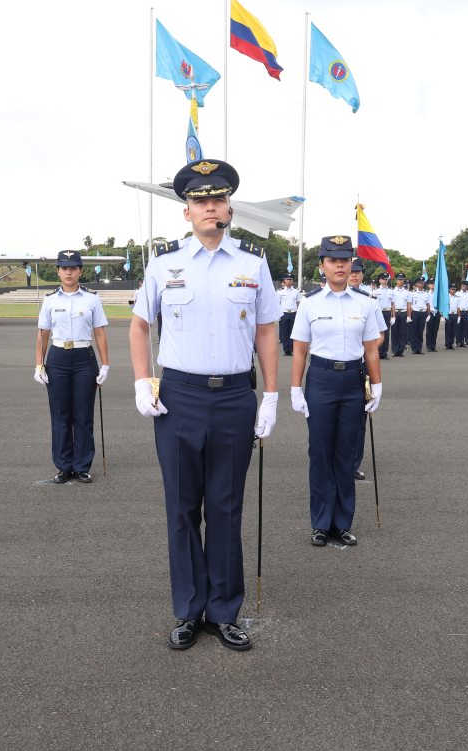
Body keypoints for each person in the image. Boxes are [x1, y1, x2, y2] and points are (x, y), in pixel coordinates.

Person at [128, 158, 280, 652]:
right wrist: (141, 381)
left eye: (218, 199)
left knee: (226, 508)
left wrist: (271, 395)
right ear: (187, 212)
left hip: (234, 397)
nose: (210, 207)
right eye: (200, 201)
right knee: (181, 508)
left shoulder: (252, 263)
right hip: (179, 399)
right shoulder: (163, 263)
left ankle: (224, 611)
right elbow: (140, 325)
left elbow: (266, 331)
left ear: (230, 208)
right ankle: (189, 609)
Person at [289, 235, 383, 548]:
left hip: (353, 381)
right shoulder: (309, 303)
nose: (339, 266)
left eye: (344, 260)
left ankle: (342, 523)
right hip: (321, 380)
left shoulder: (365, 303)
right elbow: (299, 350)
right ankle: (320, 523)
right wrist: (295, 388)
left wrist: (377, 385)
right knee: (319, 452)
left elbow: (371, 349)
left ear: (351, 264)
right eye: (332, 260)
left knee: (345, 454)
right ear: (322, 266)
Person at [34, 250, 109, 483]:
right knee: (60, 414)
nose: (69, 272)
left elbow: (99, 332)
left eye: (73, 268)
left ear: (80, 271)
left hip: (84, 357)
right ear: (58, 271)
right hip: (57, 357)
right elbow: (43, 335)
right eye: (64, 268)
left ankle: (82, 465)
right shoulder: (50, 300)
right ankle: (64, 465)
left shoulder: (92, 298)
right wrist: (39, 364)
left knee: (83, 414)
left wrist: (105, 364)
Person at [347, 257, 386, 482]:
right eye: (351, 270)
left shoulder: (370, 301)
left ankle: (353, 463)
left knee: (359, 416)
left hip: (361, 364)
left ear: (362, 275)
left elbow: (380, 336)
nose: (353, 275)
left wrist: (363, 350)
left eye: (357, 271)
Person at [276, 274, 300, 355]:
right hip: (284, 313)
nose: (289, 281)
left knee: (292, 332)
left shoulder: (296, 291)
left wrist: (299, 314)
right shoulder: (280, 291)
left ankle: (291, 349)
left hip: (293, 312)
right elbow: (278, 303)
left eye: (290, 279)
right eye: (287, 279)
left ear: (292, 280)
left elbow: (298, 303)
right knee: (284, 332)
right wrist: (278, 314)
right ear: (285, 280)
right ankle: (286, 349)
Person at [373, 275, 393, 359]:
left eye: (386, 279)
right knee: (378, 332)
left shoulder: (391, 291)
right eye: (383, 279)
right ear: (380, 281)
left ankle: (384, 352)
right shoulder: (376, 291)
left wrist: (393, 316)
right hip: (379, 312)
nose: (385, 280)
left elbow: (393, 304)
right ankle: (378, 352)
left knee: (386, 332)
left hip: (387, 311)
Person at [390, 275, 409, 356]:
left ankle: (400, 350)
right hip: (395, 312)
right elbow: (391, 304)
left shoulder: (407, 292)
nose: (401, 281)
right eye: (399, 280)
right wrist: (392, 315)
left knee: (403, 332)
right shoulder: (392, 291)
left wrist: (409, 315)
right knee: (394, 333)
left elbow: (408, 304)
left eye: (402, 280)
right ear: (396, 281)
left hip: (404, 312)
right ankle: (395, 350)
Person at [408, 277, 428, 354]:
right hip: (415, 312)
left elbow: (428, 304)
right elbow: (409, 304)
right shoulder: (412, 293)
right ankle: (413, 348)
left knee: (420, 331)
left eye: (422, 283)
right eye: (420, 283)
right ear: (417, 284)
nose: (421, 284)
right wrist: (409, 315)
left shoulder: (426, 293)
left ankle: (419, 348)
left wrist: (428, 314)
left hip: (423, 312)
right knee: (414, 331)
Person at [425, 279, 441, 351]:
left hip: (437, 312)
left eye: (434, 284)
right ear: (428, 285)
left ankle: (433, 346)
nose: (432, 285)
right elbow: (425, 303)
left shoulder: (438, 294)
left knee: (435, 330)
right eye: (431, 284)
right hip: (430, 313)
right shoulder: (426, 294)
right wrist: (430, 309)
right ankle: (428, 346)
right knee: (429, 330)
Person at [444, 284, 460, 350]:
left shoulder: (457, 298)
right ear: (449, 289)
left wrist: (459, 316)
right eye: (452, 289)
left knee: (453, 331)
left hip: (455, 314)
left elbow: (458, 308)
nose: (453, 290)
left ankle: (451, 344)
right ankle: (447, 344)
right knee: (448, 330)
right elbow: (444, 307)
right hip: (449, 315)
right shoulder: (446, 297)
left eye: (454, 289)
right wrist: (443, 315)